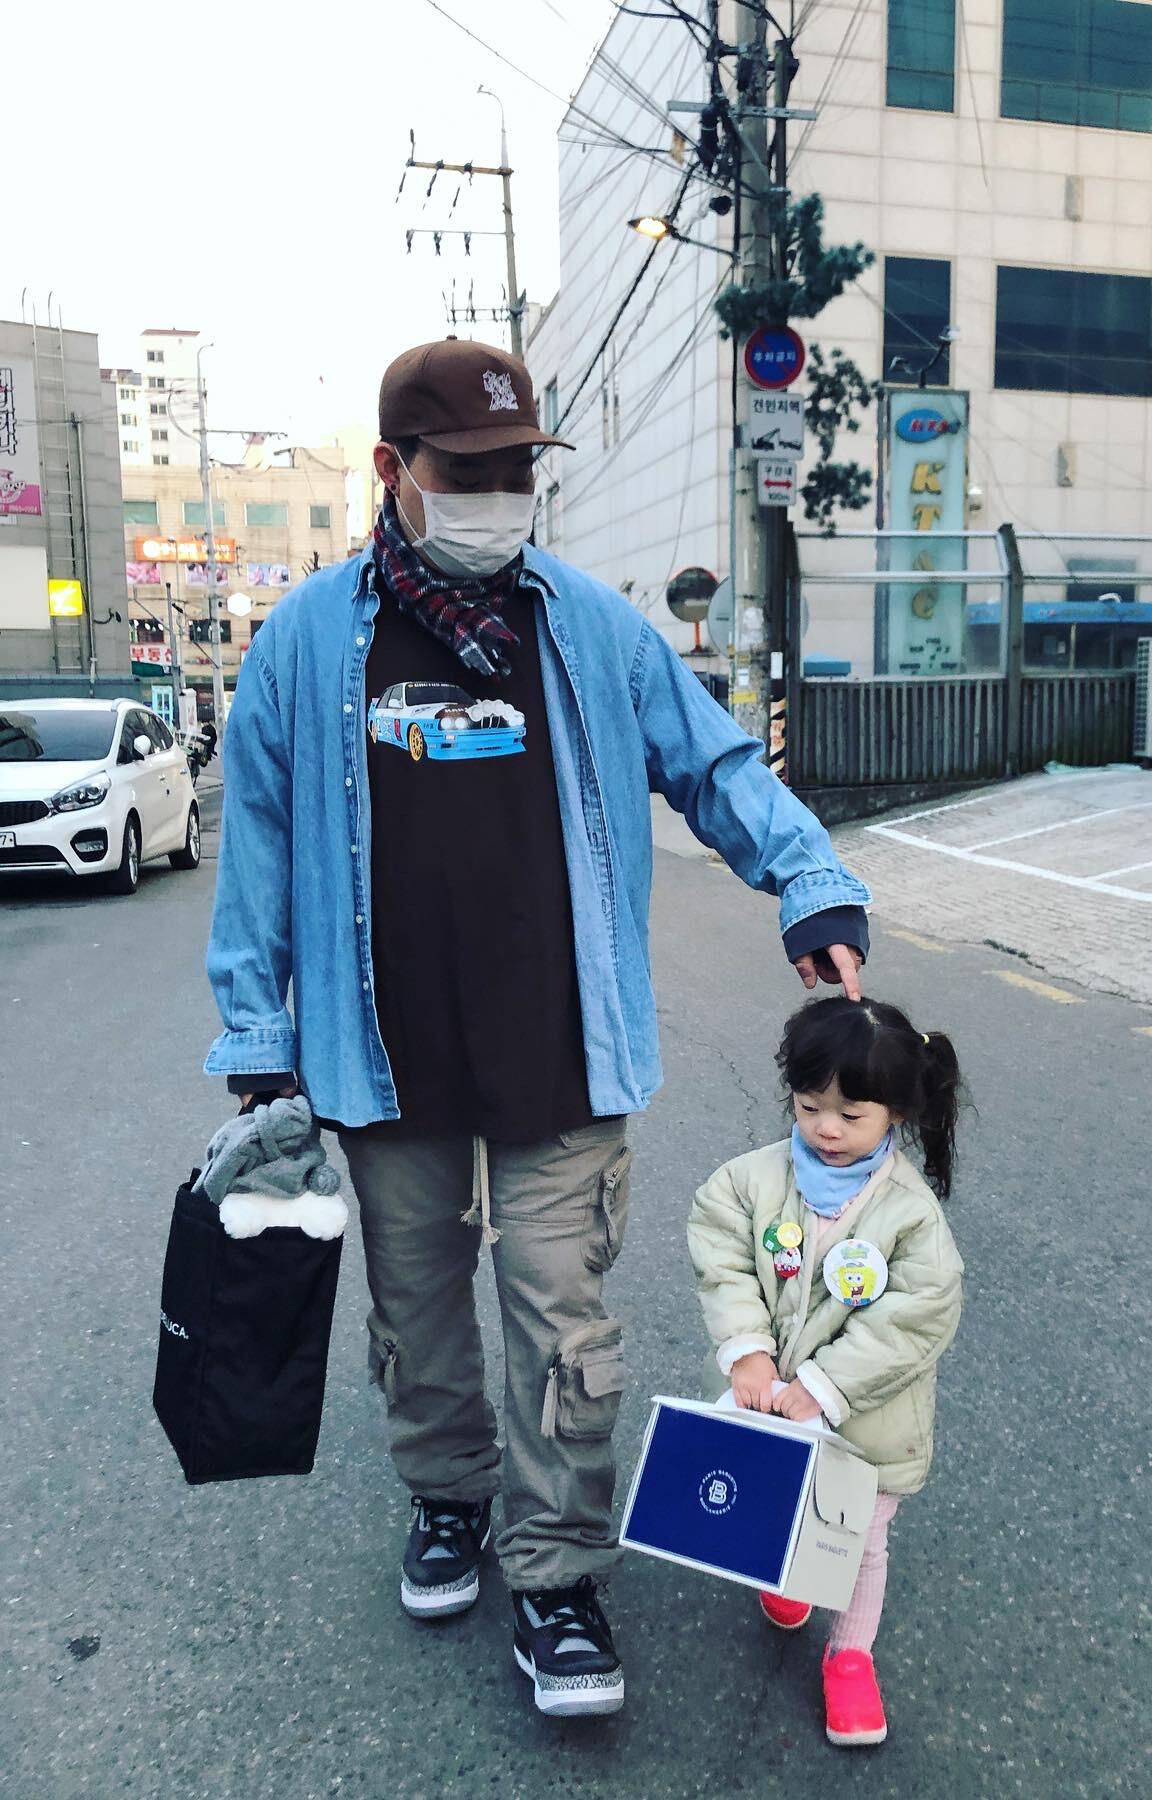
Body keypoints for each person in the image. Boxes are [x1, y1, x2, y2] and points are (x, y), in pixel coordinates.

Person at [203, 338, 872, 1720]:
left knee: (563, 1320)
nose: (500, 495)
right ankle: (450, 1498)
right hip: (381, 1057)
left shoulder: (594, 627)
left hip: (564, 1049)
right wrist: (257, 1033)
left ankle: (557, 1572)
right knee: (419, 1316)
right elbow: (258, 843)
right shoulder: (306, 642)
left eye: (517, 469)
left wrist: (808, 882)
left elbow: (715, 761)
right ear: (393, 471)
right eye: (469, 472)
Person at [687, 997, 966, 1747]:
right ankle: (793, 1577)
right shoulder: (751, 1180)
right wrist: (747, 1347)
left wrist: (825, 1385)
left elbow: (916, 1316)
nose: (827, 1129)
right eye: (810, 1107)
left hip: (865, 1422)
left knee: (860, 1540)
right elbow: (722, 1257)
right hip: (769, 1401)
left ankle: (850, 1655)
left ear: (896, 1114)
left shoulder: (909, 1214)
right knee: (779, 1502)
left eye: (851, 1114)